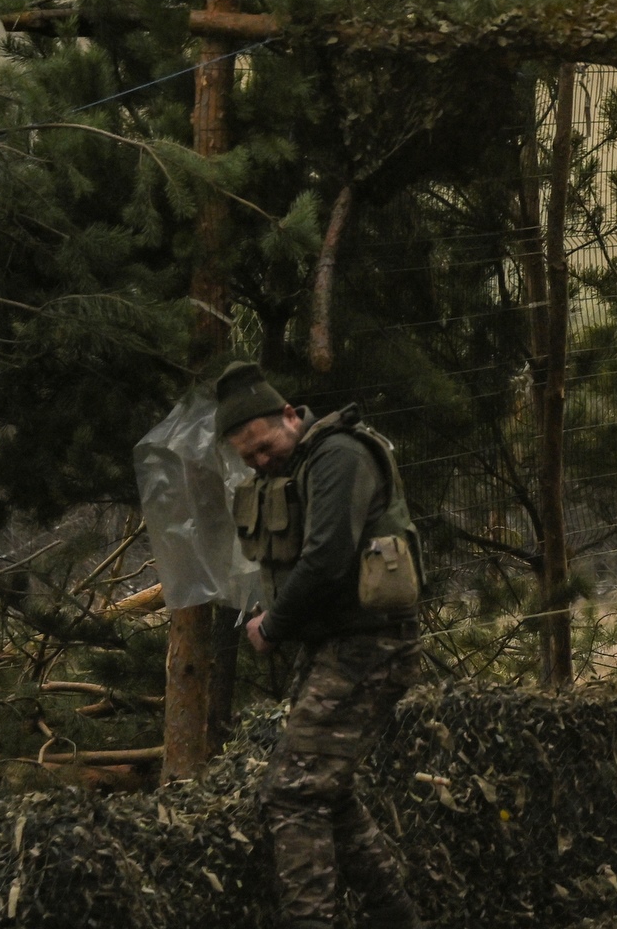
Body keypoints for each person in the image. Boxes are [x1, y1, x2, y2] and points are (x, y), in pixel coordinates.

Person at [216, 361, 425, 929]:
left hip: (370, 646)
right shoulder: (301, 461)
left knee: (291, 795)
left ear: (290, 415)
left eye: (264, 447)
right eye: (249, 459)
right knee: (324, 792)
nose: (261, 462)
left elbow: (329, 558)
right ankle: (396, 919)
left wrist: (273, 625)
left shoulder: (337, 455)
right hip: (339, 644)